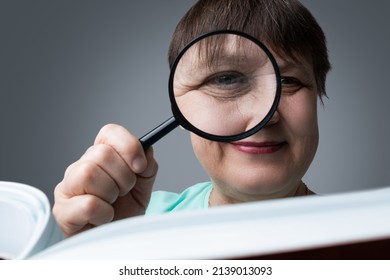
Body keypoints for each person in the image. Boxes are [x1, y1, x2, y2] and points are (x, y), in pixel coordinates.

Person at [53, 0, 331, 237]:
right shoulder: (131, 218)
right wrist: (95, 250)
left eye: (288, 80)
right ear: (184, 107)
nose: (265, 116)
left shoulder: (364, 238)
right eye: (225, 80)